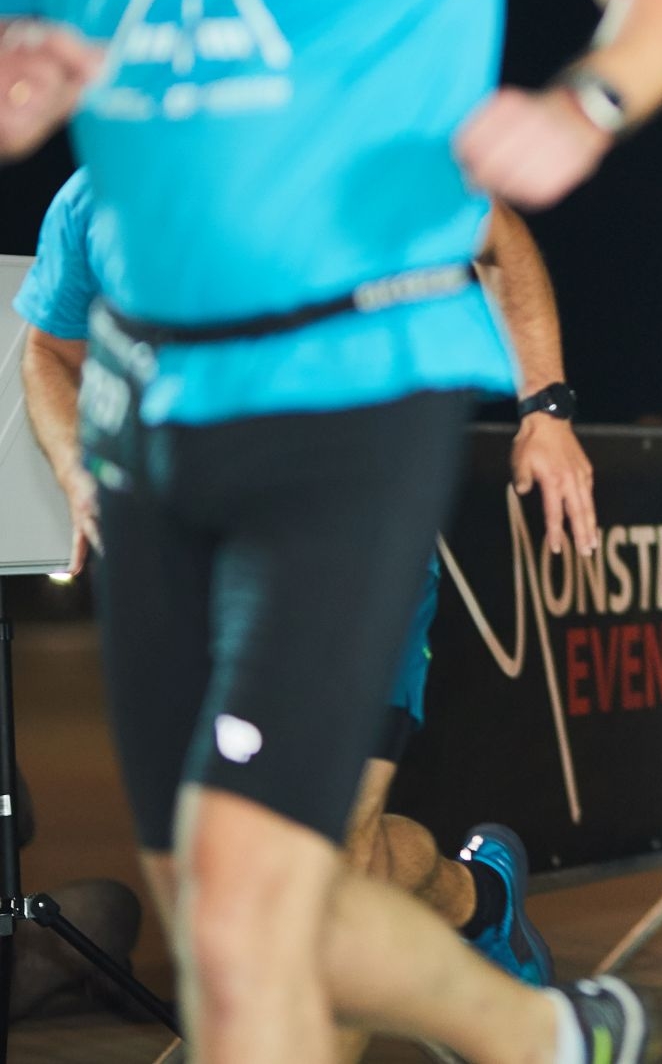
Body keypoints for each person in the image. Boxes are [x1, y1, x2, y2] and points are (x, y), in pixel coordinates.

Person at [0, 0, 662, 1059]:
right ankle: (544, 1036)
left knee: (258, 895)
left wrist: (585, 106)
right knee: (211, 899)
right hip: (151, 417)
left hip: (352, 386)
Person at [14, 172, 586, 1056]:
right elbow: (49, 350)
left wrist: (544, 407)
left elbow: (498, 235)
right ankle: (478, 901)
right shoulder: (96, 196)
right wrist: (72, 462)